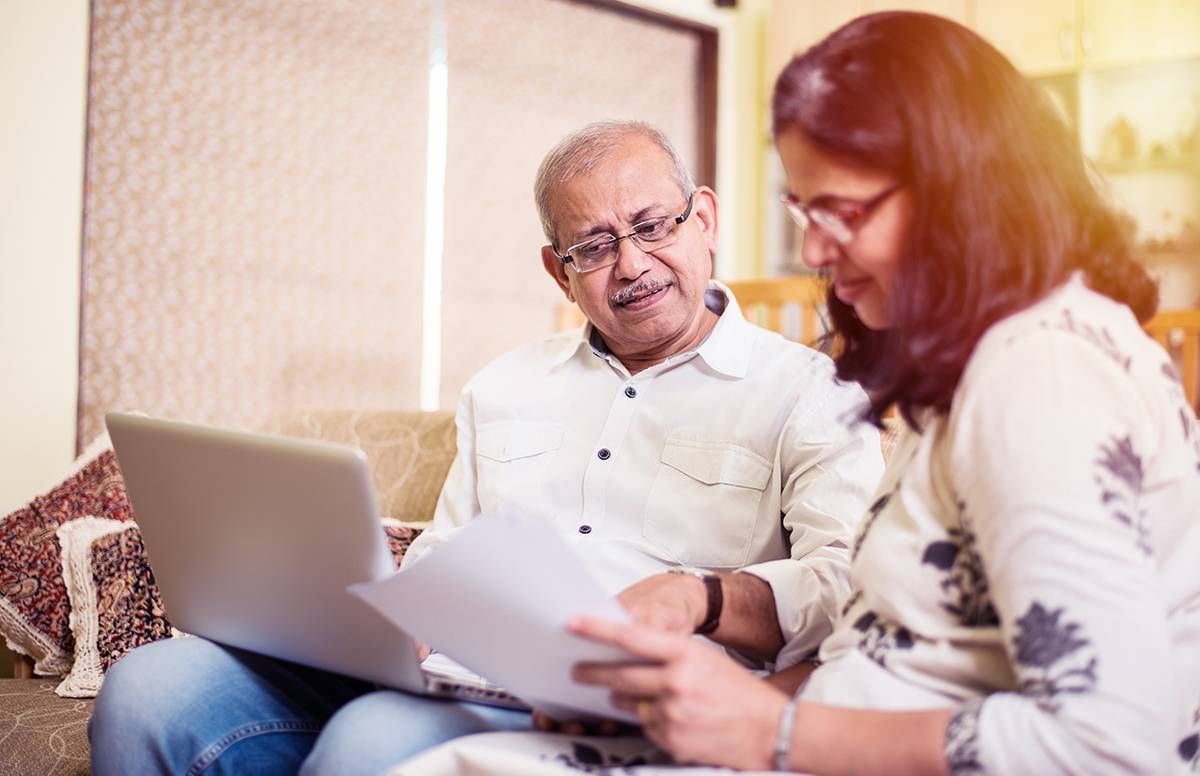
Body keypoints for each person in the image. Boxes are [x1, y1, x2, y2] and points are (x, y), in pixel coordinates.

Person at [88, 120, 885, 776]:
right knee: (147, 690)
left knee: (372, 741)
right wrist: (405, 608)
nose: (633, 264)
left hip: (629, 703)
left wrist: (700, 596)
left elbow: (851, 589)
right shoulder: (502, 385)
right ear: (558, 271)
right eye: (595, 246)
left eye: (652, 226)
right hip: (456, 670)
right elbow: (448, 547)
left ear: (703, 219)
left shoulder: (813, 392)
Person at [551, 12, 1200, 776]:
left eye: (843, 211)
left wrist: (772, 732)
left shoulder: (1040, 374)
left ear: (964, 189)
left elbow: (1111, 745)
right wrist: (703, 655)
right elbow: (905, 643)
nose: (813, 249)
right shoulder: (992, 361)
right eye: (804, 209)